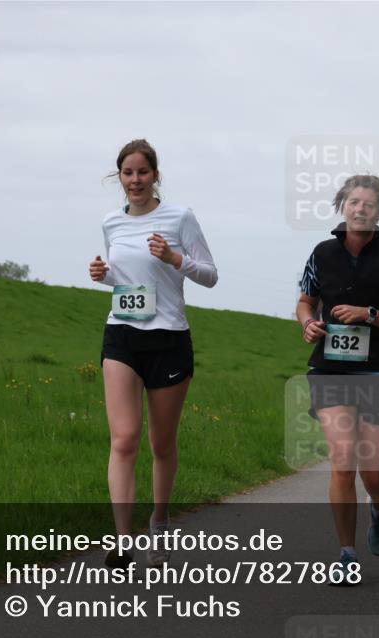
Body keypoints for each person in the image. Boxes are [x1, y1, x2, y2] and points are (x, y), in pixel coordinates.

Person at [89, 139, 218, 569]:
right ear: (119, 176)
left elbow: (210, 275)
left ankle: (159, 521)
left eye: (143, 172)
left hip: (168, 339)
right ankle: (122, 541)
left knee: (161, 444)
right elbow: (126, 279)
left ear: (155, 175)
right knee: (124, 439)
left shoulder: (180, 217)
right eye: (128, 173)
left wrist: (176, 258)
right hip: (122, 336)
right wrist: (104, 275)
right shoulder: (111, 222)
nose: (135, 180)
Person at [296, 174, 379, 586]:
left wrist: (370, 314)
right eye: (353, 202)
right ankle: (347, 554)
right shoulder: (322, 253)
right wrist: (308, 323)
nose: (360, 208)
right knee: (343, 459)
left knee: (373, 472)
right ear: (342, 205)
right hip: (331, 370)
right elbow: (305, 301)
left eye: (368, 203)